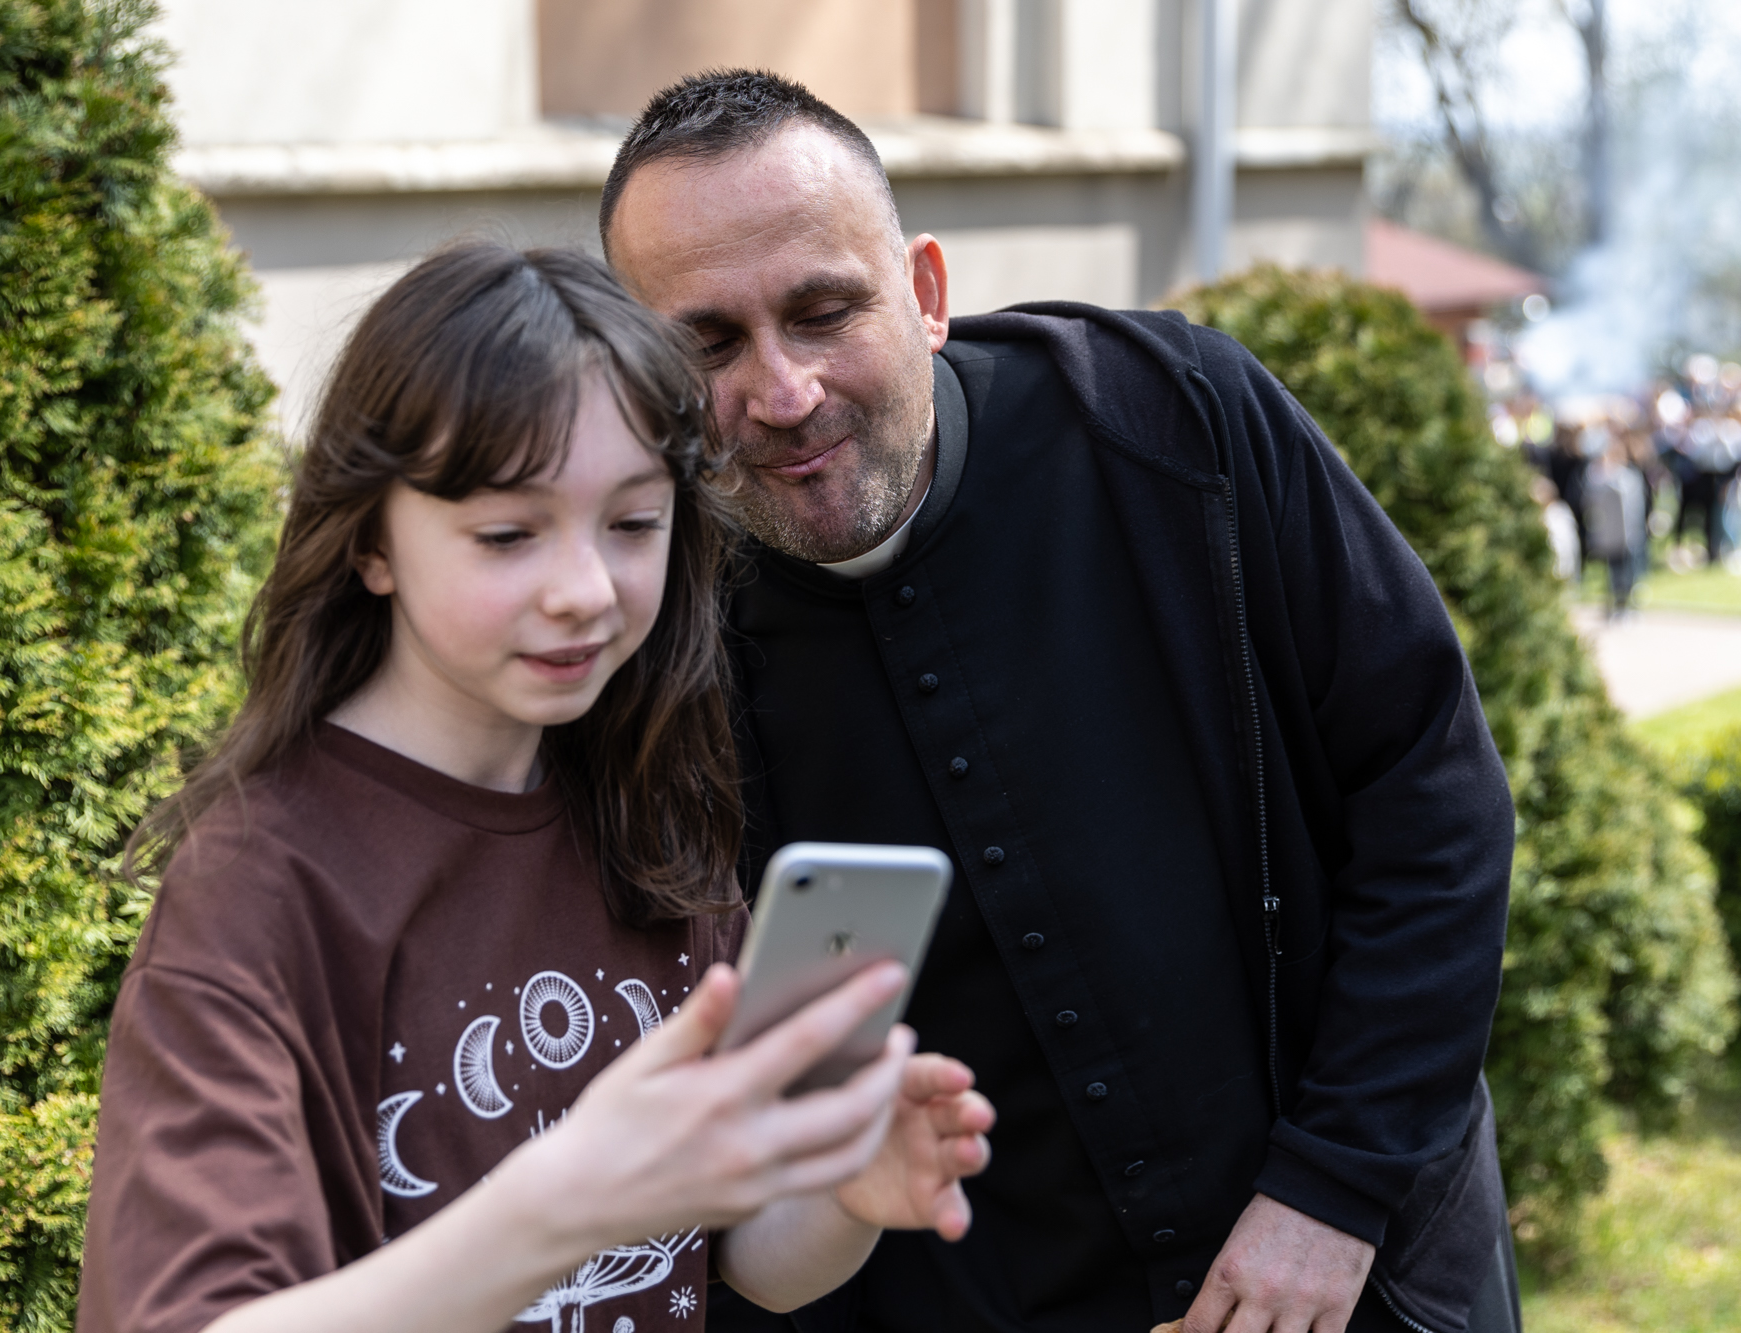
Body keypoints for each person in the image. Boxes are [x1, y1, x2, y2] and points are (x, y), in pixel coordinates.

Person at [600, 73, 1519, 1333]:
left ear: (924, 292)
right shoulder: (636, 629)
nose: (783, 391)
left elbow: (1431, 799)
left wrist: (1335, 1189)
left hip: (1354, 1276)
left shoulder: (1176, 421)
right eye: (706, 345)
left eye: (823, 312)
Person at [76, 243, 996, 1333]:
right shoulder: (260, 883)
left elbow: (741, 1256)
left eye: (632, 524)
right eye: (508, 534)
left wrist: (844, 1187)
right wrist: (562, 1200)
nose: (583, 590)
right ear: (370, 541)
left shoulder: (644, 814)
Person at [1584, 433, 1645, 616]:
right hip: (1611, 535)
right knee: (1613, 571)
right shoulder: (1599, 477)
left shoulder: (1628, 477)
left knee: (1629, 570)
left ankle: (1626, 603)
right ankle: (1615, 604)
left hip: (1629, 533)